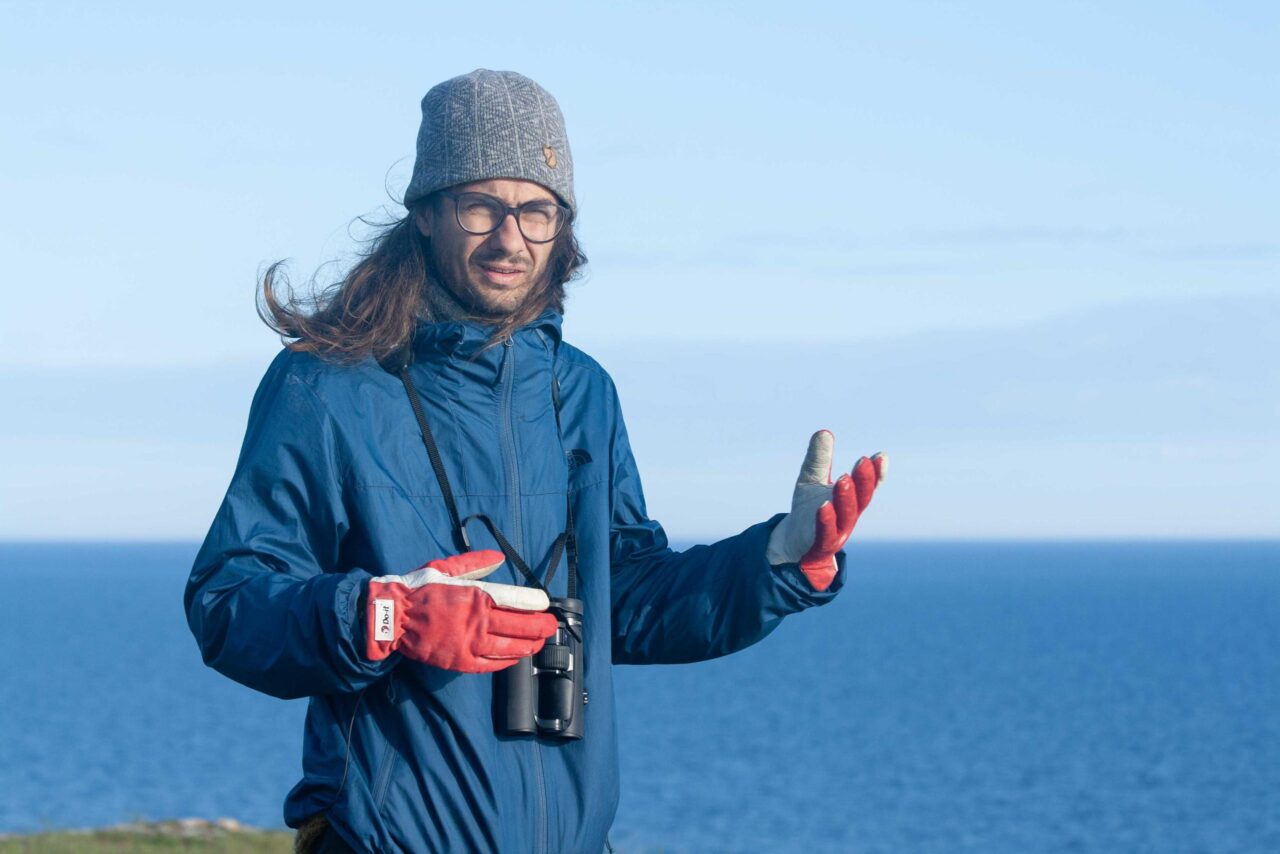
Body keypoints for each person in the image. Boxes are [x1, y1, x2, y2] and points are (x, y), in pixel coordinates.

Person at [184, 68, 886, 854]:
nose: (510, 238)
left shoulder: (583, 390)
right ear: (424, 214)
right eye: (480, 204)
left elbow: (630, 599)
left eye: (536, 210)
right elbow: (227, 602)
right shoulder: (324, 384)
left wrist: (779, 563)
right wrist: (385, 616)